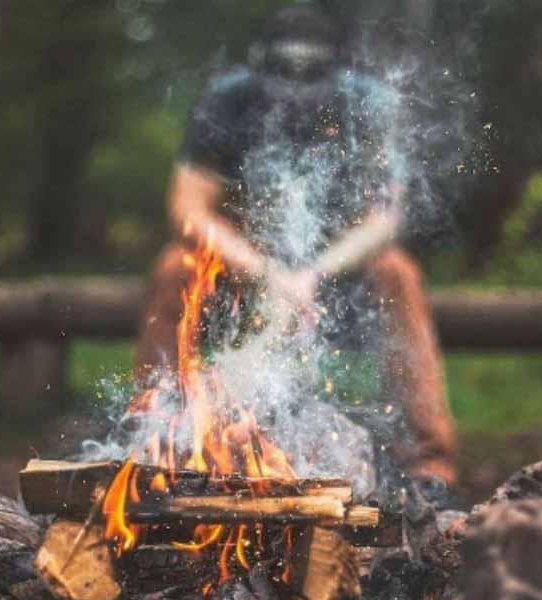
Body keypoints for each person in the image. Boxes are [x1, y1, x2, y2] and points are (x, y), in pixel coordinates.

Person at [136, 5, 457, 497]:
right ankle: (148, 442)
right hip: (239, 267)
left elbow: (384, 219)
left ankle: (430, 463)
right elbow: (188, 208)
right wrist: (264, 270)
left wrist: (313, 273)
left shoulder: (365, 100)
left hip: (335, 271)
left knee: (397, 273)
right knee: (175, 265)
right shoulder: (229, 99)